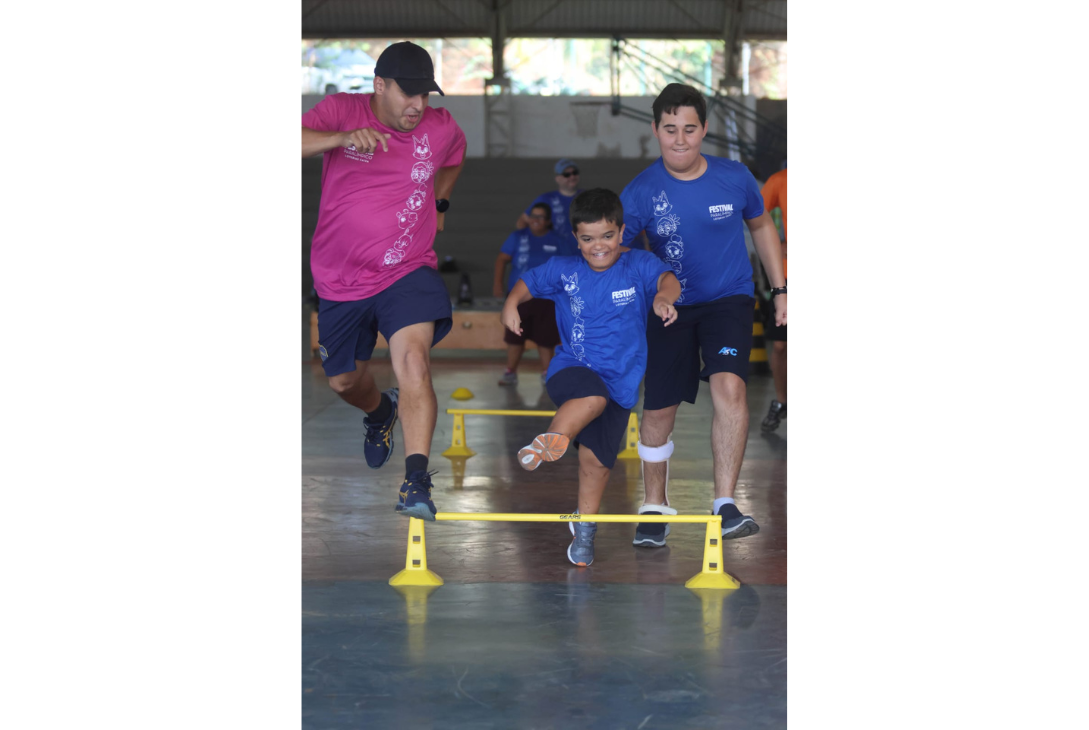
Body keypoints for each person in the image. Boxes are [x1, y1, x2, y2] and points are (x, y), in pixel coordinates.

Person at [300, 41, 466, 522]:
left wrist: (440, 203)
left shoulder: (441, 127)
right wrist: (340, 139)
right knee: (343, 380)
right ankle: (379, 413)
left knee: (412, 360)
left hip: (407, 268)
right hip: (339, 278)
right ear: (380, 86)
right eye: (408, 94)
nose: (418, 106)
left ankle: (416, 481)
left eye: (425, 96)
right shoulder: (341, 110)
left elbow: (455, 156)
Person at [619, 83, 788, 547]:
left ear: (704, 130)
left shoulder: (736, 177)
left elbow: (761, 227)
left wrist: (780, 289)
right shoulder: (639, 193)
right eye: (670, 129)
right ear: (655, 130)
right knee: (658, 409)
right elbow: (621, 257)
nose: (680, 139)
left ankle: (725, 503)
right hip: (670, 308)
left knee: (730, 387)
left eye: (689, 129)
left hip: (728, 301)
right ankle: (654, 507)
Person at [501, 188, 681, 567]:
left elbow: (668, 280)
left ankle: (584, 530)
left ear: (621, 232)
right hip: (572, 369)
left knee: (597, 462)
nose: (598, 246)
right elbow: (526, 282)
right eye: (587, 238)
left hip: (623, 383)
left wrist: (664, 298)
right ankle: (553, 439)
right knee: (591, 398)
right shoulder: (564, 270)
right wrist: (510, 305)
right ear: (576, 239)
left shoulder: (637, 265)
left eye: (607, 236)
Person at [492, 203, 578, 385]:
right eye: (533, 216)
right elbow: (502, 259)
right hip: (519, 296)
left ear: (548, 221)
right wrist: (497, 284)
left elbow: (571, 266)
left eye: (540, 217)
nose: (535, 220)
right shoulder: (517, 237)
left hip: (548, 298)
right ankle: (510, 372)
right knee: (514, 335)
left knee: (545, 337)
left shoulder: (558, 240)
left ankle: (547, 373)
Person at [759, 162, 788, 432]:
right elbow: (755, 218)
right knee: (779, 346)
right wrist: (778, 244)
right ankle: (781, 401)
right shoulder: (780, 180)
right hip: (786, 278)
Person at [514, 159, 582, 233]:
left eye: (575, 173)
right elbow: (522, 221)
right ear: (557, 179)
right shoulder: (546, 198)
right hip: (555, 243)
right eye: (567, 175)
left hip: (582, 243)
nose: (572, 177)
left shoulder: (587, 197)